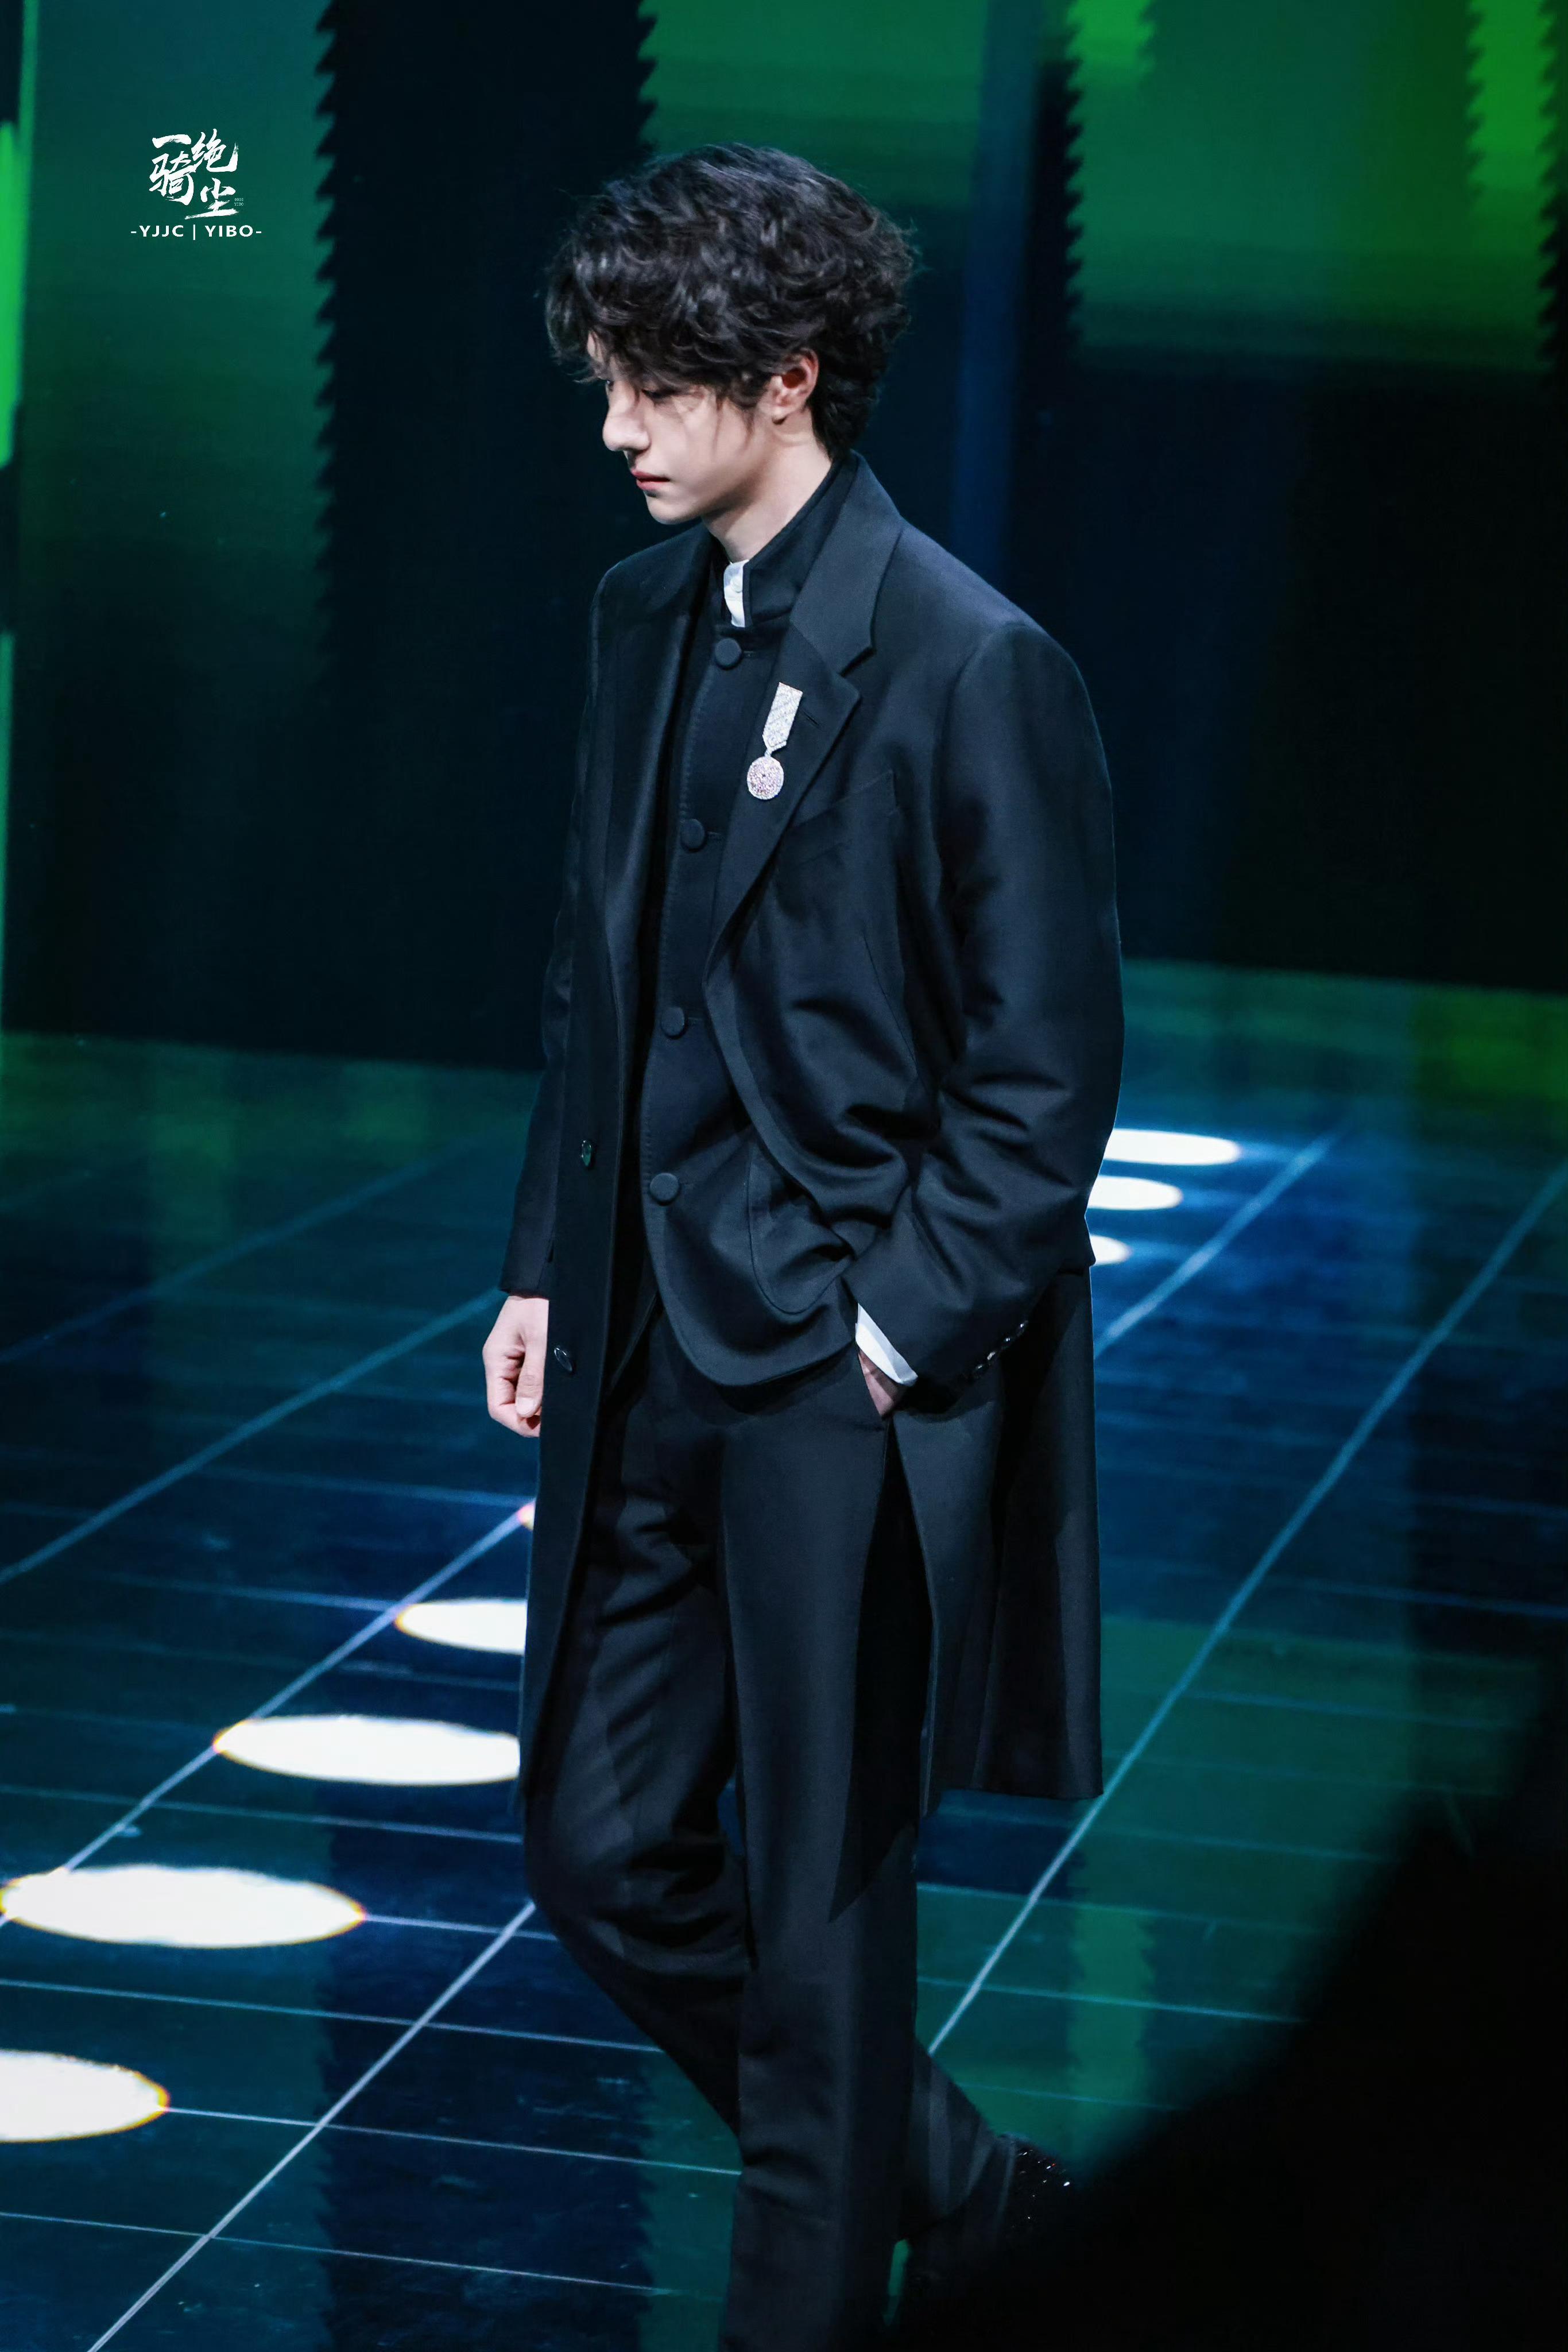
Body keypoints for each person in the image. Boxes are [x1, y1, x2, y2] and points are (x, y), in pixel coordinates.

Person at [482, 142, 1124, 2352]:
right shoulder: (636, 615)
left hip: (837, 1373)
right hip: (645, 1334)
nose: (614, 431)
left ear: (786, 377)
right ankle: (969, 2191)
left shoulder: (970, 662)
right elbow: (595, 974)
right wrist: (545, 1258)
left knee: (827, 1924)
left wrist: (887, 1336)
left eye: (652, 388)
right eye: (604, 384)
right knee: (594, 1844)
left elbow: (1045, 1073)